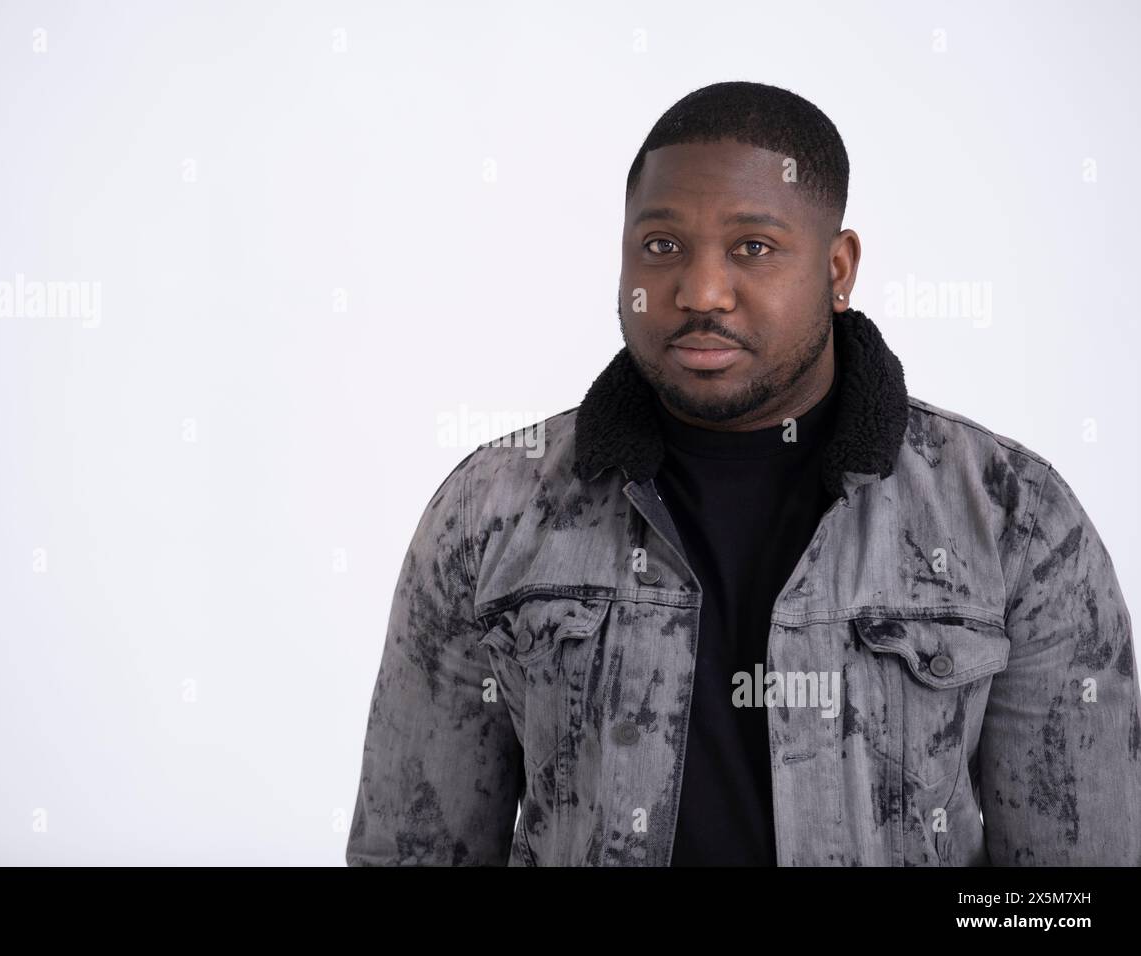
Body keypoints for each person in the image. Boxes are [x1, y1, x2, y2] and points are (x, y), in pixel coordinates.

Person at [345, 81, 1141, 866]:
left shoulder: (1012, 517)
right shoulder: (491, 509)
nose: (700, 292)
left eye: (752, 248)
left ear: (838, 268)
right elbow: (410, 851)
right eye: (662, 246)